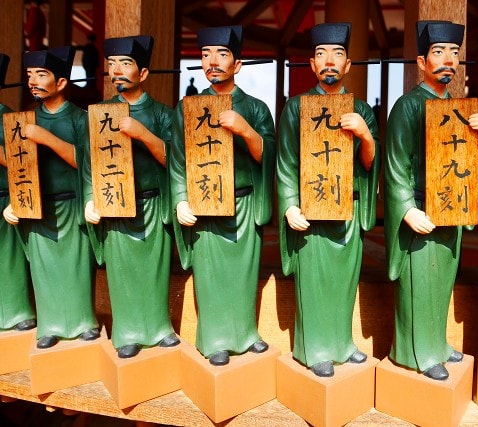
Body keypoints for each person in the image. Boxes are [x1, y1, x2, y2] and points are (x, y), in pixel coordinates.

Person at [384, 21, 478, 380]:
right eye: (439, 51)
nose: (448, 59)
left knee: (441, 282)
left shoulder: (459, 108)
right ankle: (415, 353)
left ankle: (436, 343)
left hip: (449, 205)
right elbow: (395, 164)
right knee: (419, 284)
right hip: (418, 210)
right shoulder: (407, 106)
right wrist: (406, 208)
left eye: (454, 52)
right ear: (421, 61)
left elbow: (466, 165)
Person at [277, 22, 380, 378]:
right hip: (311, 209)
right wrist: (290, 204)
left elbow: (369, 164)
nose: (329, 61)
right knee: (313, 281)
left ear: (348, 64)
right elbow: (286, 162)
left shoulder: (361, 109)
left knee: (343, 282)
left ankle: (342, 343)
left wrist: (366, 135)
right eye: (321, 54)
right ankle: (314, 348)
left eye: (337, 54)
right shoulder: (296, 107)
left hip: (348, 208)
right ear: (312, 64)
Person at [171, 25, 275, 366]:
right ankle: (214, 338)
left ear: (238, 64)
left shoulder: (256, 108)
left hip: (244, 202)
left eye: (222, 54)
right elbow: (177, 159)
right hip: (205, 201)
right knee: (211, 274)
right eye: (205, 54)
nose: (212, 61)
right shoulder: (188, 107)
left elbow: (269, 156)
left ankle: (245, 333)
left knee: (244, 274)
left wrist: (246, 130)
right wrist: (180, 198)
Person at [84, 35, 179, 359]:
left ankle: (159, 327)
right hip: (115, 201)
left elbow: (176, 160)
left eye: (125, 63)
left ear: (144, 73)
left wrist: (143, 134)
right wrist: (90, 198)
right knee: (122, 272)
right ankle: (126, 331)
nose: (117, 70)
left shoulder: (163, 114)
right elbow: (89, 162)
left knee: (155, 269)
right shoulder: (101, 114)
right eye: (112, 64)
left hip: (153, 203)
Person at [3, 46, 99, 348]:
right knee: (44, 268)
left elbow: (89, 162)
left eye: (41, 74)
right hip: (37, 205)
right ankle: (50, 325)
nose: (33, 81)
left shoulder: (81, 119)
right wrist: (15, 201)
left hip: (72, 203)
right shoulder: (24, 120)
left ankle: (84, 321)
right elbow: (19, 166)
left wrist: (47, 139)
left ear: (61, 82)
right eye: (29, 75)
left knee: (77, 265)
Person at [0, 53, 36, 332]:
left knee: (8, 257)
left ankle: (15, 312)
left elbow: (19, 161)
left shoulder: (7, 117)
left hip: (4, 196)